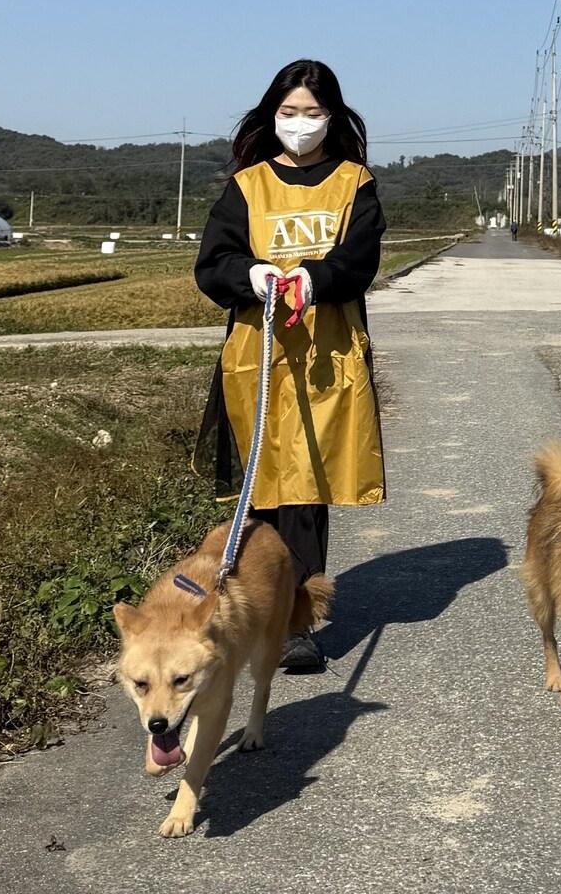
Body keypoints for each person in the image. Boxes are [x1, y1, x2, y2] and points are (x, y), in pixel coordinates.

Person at [194, 59, 387, 671]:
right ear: (271, 115)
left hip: (325, 354)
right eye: (288, 113)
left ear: (332, 117)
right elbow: (213, 262)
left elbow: (360, 260)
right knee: (261, 486)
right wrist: (250, 274)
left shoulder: (354, 183)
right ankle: (254, 610)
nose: (300, 124)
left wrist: (314, 277)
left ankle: (299, 620)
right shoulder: (247, 186)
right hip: (257, 354)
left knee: (304, 485)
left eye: (312, 113)